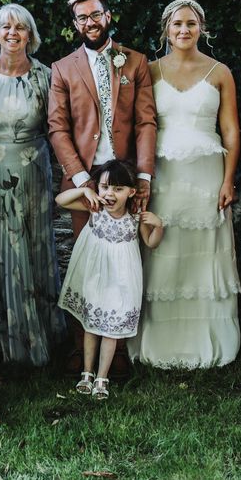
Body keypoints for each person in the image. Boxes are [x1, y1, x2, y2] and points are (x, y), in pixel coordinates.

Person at [48, 0, 157, 374]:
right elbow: (57, 128)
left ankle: (120, 351)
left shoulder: (136, 62)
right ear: (74, 24)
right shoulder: (62, 69)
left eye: (96, 15)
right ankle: (82, 351)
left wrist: (142, 178)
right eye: (82, 18)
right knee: (86, 267)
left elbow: (145, 121)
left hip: (125, 182)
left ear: (108, 16)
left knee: (125, 266)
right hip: (86, 185)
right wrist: (82, 180)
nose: (90, 23)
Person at [129, 0, 241, 368]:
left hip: (207, 177)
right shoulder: (149, 70)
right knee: (162, 250)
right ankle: (161, 341)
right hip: (164, 177)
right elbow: (141, 125)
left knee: (202, 254)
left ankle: (208, 338)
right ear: (166, 29)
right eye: (177, 24)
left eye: (191, 23)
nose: (184, 30)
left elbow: (230, 129)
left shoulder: (220, 72)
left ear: (202, 28)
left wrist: (228, 180)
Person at [0, 3, 65, 366]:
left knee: (33, 249)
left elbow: (57, 127)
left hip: (32, 174)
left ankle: (36, 338)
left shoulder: (47, 76)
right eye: (5, 27)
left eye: (20, 27)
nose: (12, 33)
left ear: (30, 35)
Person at [57, 160, 163, 399]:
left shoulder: (135, 217)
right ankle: (87, 373)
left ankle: (102, 378)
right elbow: (60, 200)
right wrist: (85, 189)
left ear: (131, 192)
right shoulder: (94, 207)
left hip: (121, 280)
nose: (109, 194)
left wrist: (159, 226)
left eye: (118, 189)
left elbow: (151, 243)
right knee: (91, 326)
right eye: (105, 187)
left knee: (111, 330)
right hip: (95, 276)